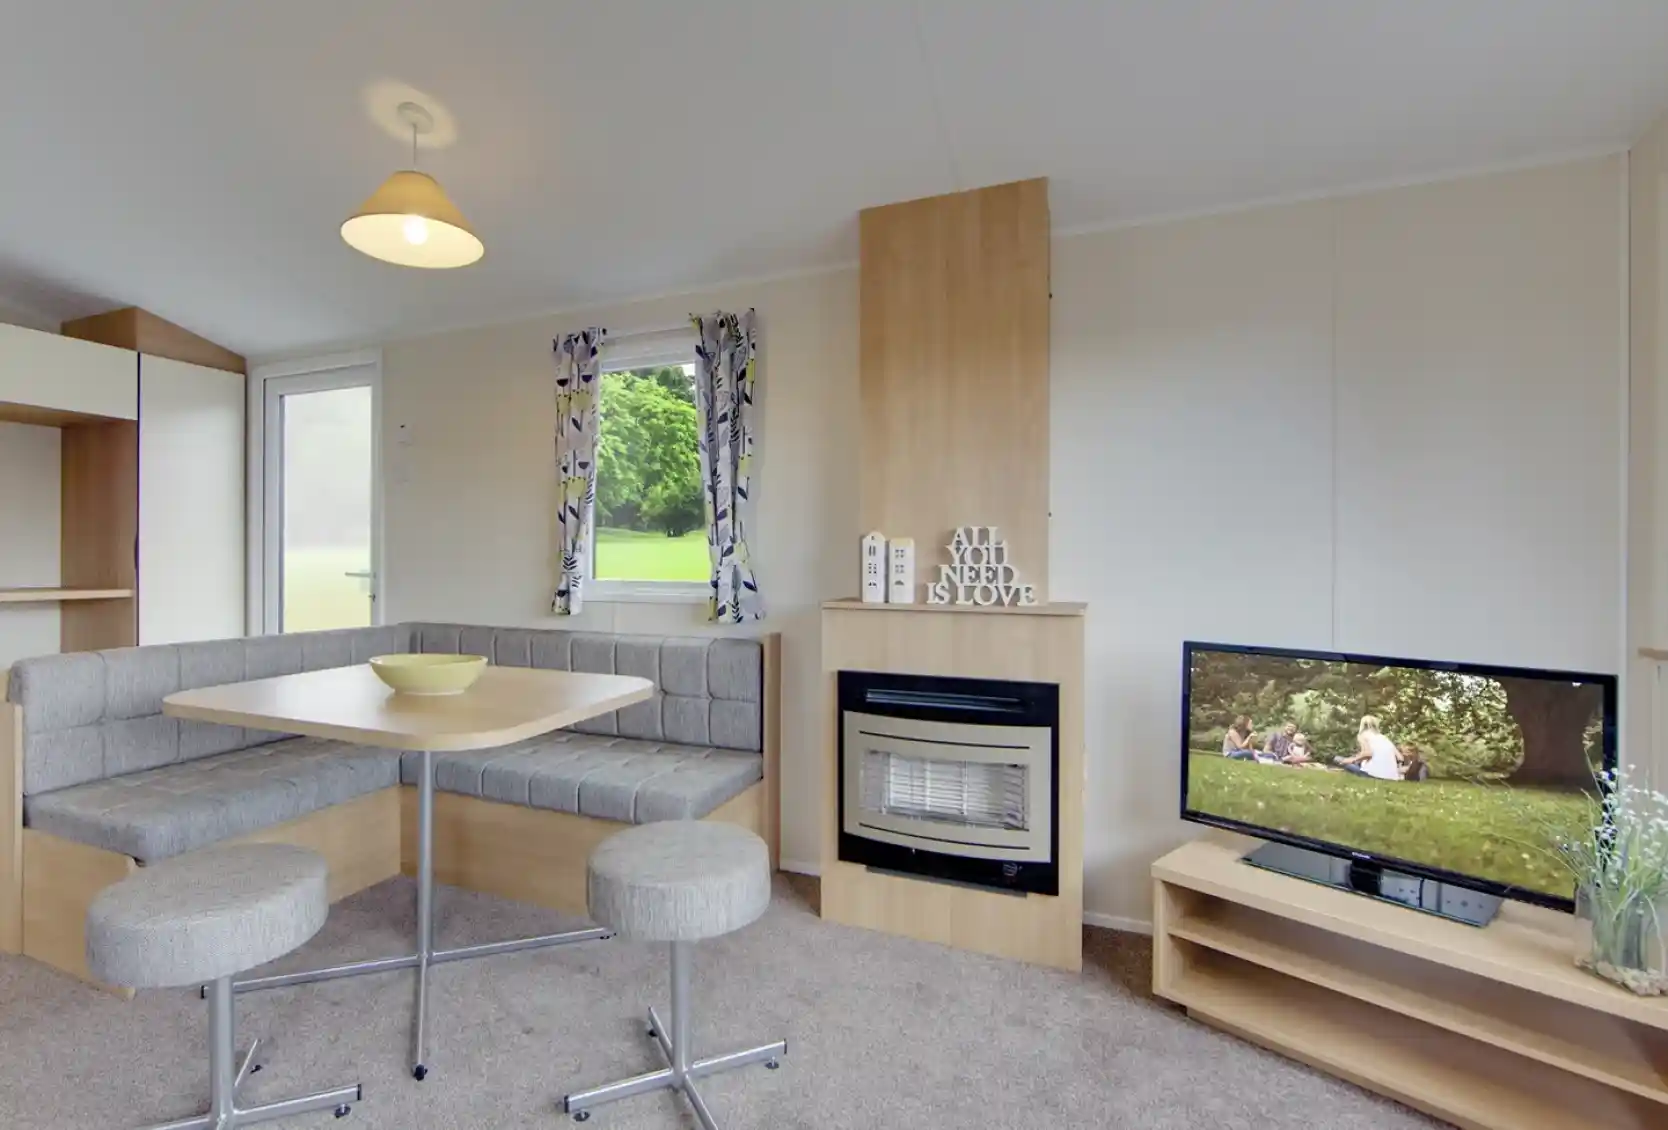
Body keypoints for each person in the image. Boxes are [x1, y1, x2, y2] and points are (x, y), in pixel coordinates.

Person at [1339, 715, 1402, 780]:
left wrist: (1351, 760)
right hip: (1392, 778)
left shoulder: (1363, 735)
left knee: (1339, 760)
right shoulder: (1384, 738)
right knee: (1356, 763)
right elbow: (1400, 758)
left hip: (1373, 775)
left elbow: (1368, 754)